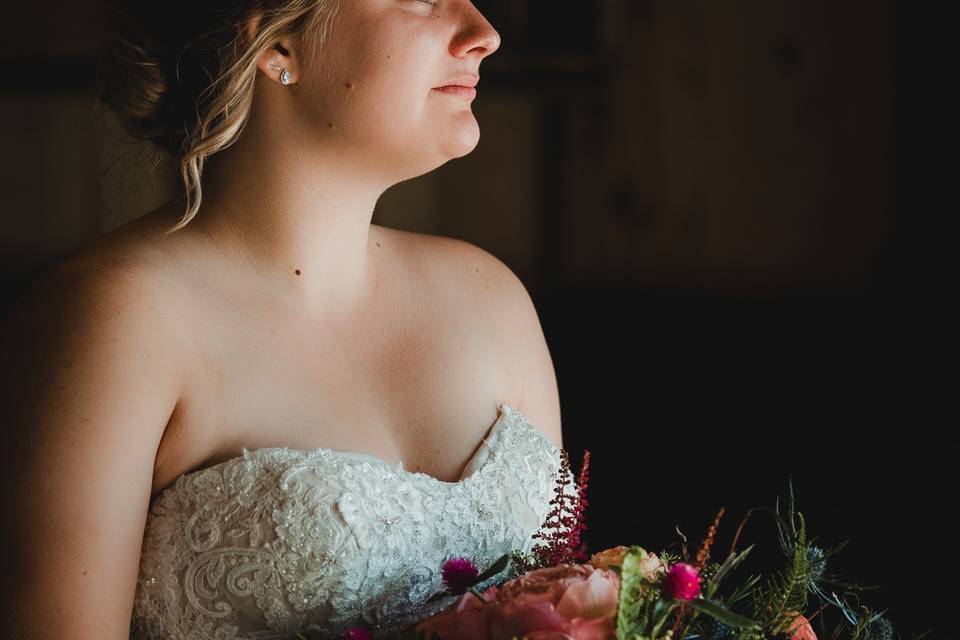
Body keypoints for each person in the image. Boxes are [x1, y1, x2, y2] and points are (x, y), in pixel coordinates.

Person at [0, 1, 570, 638]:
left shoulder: (490, 296)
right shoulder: (113, 320)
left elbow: (561, 604)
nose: (483, 34)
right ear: (275, 44)